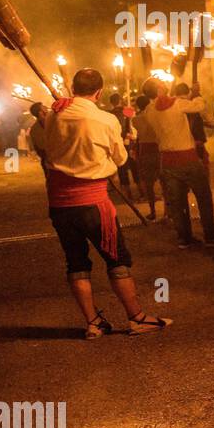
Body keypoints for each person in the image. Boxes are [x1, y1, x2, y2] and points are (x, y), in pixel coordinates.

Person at [42, 68, 172, 339]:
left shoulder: (53, 115)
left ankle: (93, 323)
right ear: (99, 92)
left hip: (59, 203)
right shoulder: (104, 120)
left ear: (73, 88)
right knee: (117, 259)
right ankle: (137, 318)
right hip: (93, 202)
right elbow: (120, 159)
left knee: (76, 262)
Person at [139, 76, 214, 246]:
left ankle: (185, 238)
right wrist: (196, 94)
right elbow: (199, 106)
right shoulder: (176, 103)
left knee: (178, 202)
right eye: (162, 84)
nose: (166, 85)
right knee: (203, 197)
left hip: (167, 161)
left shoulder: (148, 111)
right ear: (159, 90)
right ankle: (210, 235)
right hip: (187, 157)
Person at [132, 93, 161, 220]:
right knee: (164, 181)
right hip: (157, 148)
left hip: (145, 150)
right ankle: (167, 211)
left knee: (148, 184)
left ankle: (153, 211)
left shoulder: (136, 119)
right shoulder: (155, 116)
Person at [107, 93, 139, 197]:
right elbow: (133, 121)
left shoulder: (110, 114)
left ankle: (127, 193)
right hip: (129, 141)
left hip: (117, 142)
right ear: (120, 100)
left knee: (122, 168)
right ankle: (141, 191)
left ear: (111, 102)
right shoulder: (127, 110)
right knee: (134, 166)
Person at [173, 83, 210, 164]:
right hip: (191, 143)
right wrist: (196, 92)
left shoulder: (172, 103)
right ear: (188, 92)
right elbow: (200, 106)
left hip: (176, 146)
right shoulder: (184, 104)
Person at [27, 103, 49, 170]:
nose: (46, 107)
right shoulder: (35, 129)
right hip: (49, 163)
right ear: (40, 113)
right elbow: (42, 148)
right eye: (44, 107)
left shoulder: (52, 122)